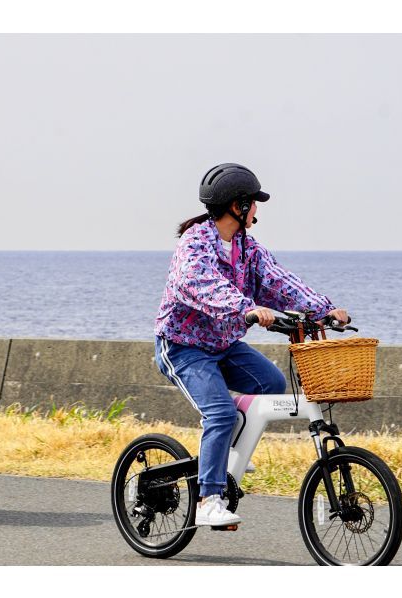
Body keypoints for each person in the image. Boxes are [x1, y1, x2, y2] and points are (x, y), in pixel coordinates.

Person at [154, 163, 349, 527]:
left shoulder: (247, 248)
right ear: (236, 206)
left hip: (224, 344)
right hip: (183, 346)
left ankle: (231, 452)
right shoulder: (195, 243)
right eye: (254, 203)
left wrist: (323, 310)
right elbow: (201, 285)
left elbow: (279, 281)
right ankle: (209, 498)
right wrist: (246, 309)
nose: (257, 210)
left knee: (271, 385)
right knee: (221, 414)